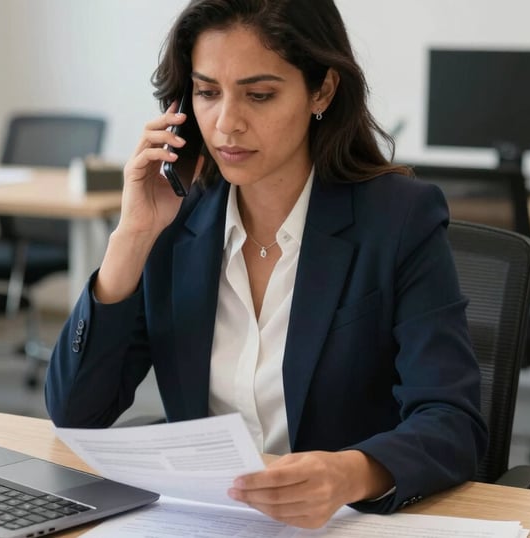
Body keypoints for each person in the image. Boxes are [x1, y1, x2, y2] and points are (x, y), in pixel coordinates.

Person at [45, 0, 488, 529]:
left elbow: (452, 421)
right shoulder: (172, 222)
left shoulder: (399, 219)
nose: (227, 123)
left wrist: (351, 473)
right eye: (207, 92)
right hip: (206, 520)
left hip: (344, 522)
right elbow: (76, 415)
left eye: (259, 95)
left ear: (321, 91)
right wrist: (131, 238)